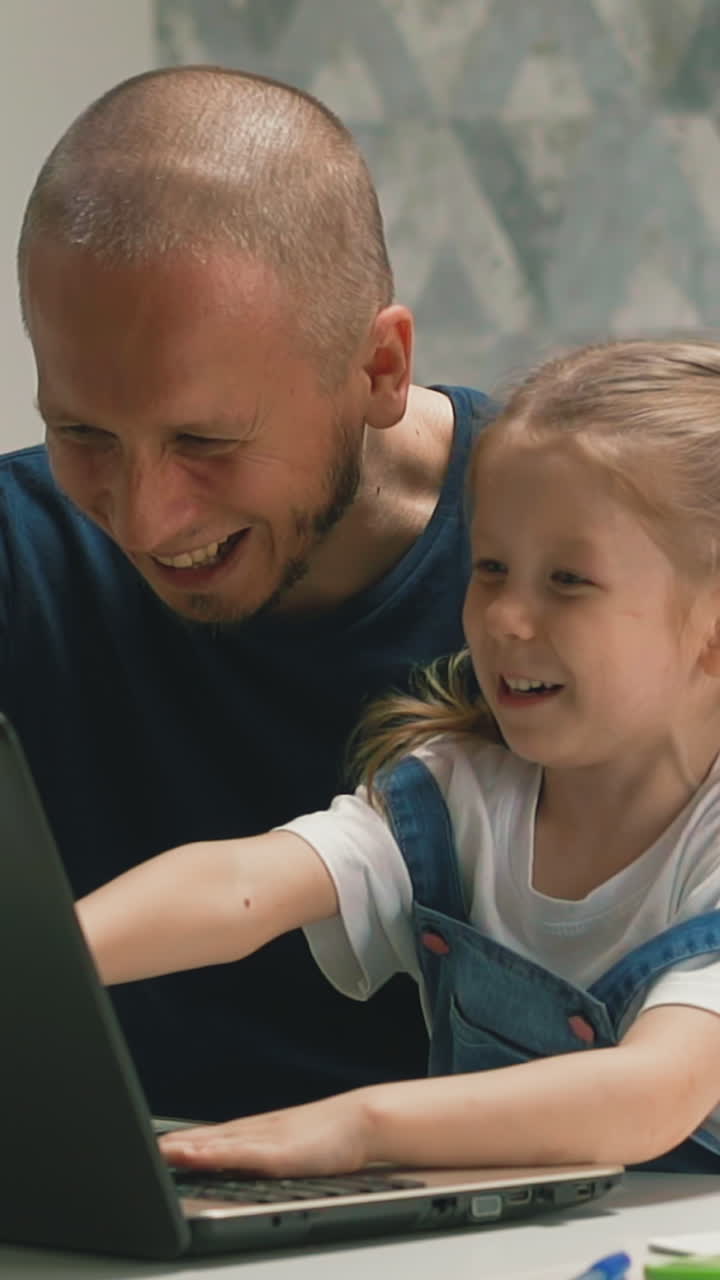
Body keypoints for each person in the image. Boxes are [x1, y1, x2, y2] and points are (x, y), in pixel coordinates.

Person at [79, 338, 720, 1177]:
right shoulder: (457, 796)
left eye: (567, 580)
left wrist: (359, 1131)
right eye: (490, 568)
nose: (505, 619)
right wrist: (55, 952)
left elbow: (651, 1092)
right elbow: (243, 886)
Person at [10, 65, 495, 1121]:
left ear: (380, 367)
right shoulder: (21, 550)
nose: (144, 520)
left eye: (206, 440)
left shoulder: (590, 568)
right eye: (83, 432)